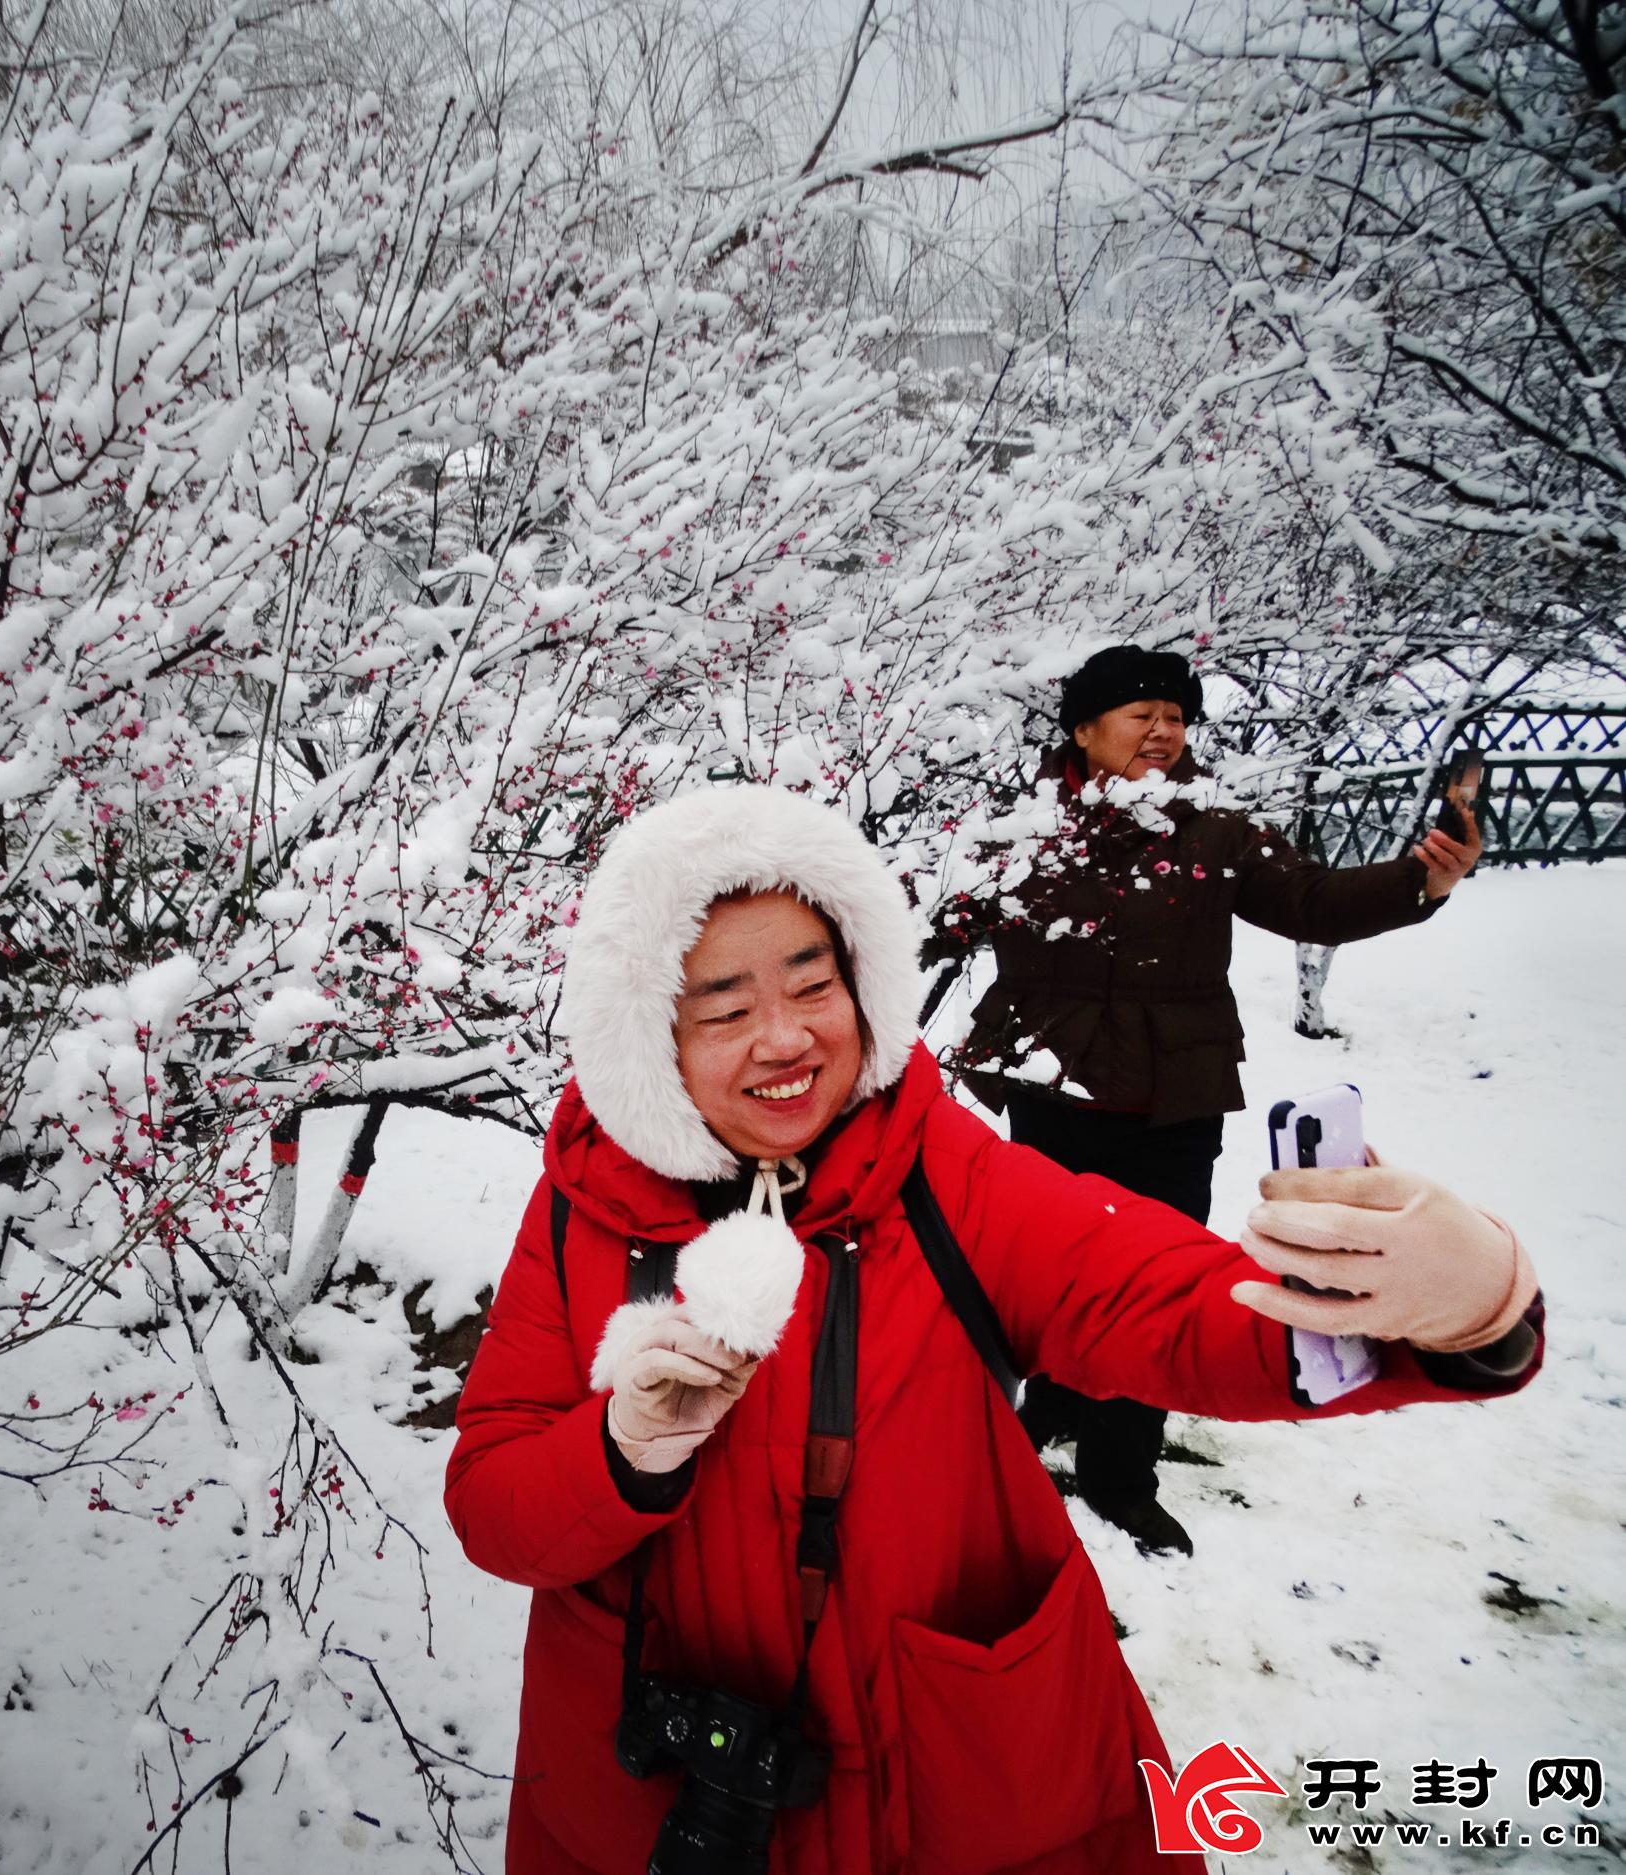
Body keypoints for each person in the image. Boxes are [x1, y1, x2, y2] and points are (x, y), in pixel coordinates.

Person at [444, 784, 1539, 1875]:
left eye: (813, 985)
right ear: (648, 1036)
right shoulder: (584, 1211)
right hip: (652, 1793)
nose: (785, 1038)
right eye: (724, 1010)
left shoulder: (931, 1174)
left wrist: (1454, 1311)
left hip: (949, 1773)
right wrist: (617, 1453)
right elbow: (495, 1508)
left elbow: (1152, 1294)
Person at [923, 645, 1484, 1556]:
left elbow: (1308, 897)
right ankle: (1046, 1407)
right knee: (1036, 1274)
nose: (1163, 732)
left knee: (1155, 1283)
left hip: (1172, 1097)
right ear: (1082, 728)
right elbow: (936, 919)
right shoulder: (1018, 826)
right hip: (1052, 1085)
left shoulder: (1214, 822)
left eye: (1177, 718)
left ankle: (1120, 1475)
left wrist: (1420, 879)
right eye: (1142, 714)